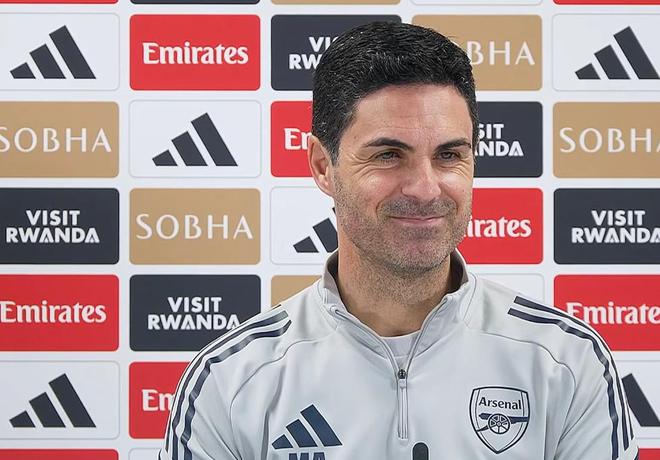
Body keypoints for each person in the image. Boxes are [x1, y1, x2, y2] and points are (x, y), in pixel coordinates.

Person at [160, 22, 638, 460]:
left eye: (449, 155)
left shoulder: (566, 361)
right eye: (389, 155)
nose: (426, 189)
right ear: (323, 166)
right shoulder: (230, 380)